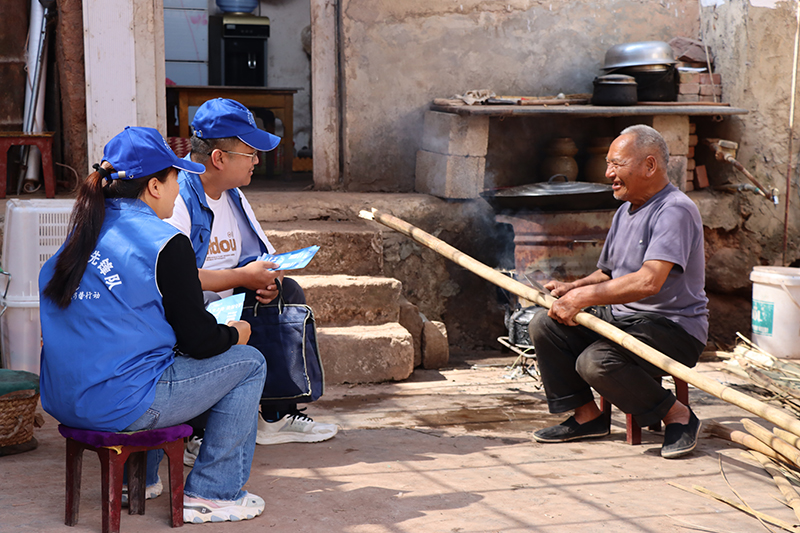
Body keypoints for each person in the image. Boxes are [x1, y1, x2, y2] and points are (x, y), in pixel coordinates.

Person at [39, 126, 268, 523]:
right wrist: (236, 333)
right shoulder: (165, 242)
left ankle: (140, 478)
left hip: (63, 398)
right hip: (122, 403)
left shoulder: (79, 236)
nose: (180, 189)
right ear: (155, 186)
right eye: (176, 178)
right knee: (250, 362)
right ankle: (214, 493)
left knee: (154, 354)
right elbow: (199, 341)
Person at [163, 98, 337, 461]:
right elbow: (173, 281)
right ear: (219, 158)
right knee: (197, 314)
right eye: (250, 152)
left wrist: (265, 280)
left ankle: (274, 415)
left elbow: (258, 256)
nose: (258, 160)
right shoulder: (177, 198)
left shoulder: (234, 196)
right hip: (186, 311)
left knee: (286, 292)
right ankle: (193, 430)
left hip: (224, 304)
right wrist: (243, 275)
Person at [529, 124, 708, 459]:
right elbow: (609, 272)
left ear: (649, 166)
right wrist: (574, 288)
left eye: (616, 164)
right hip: (625, 318)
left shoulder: (675, 209)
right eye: (608, 164)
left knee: (596, 362)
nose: (608, 172)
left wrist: (584, 299)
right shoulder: (626, 209)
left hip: (672, 327)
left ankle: (678, 416)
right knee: (545, 324)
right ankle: (589, 416)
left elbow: (648, 282)